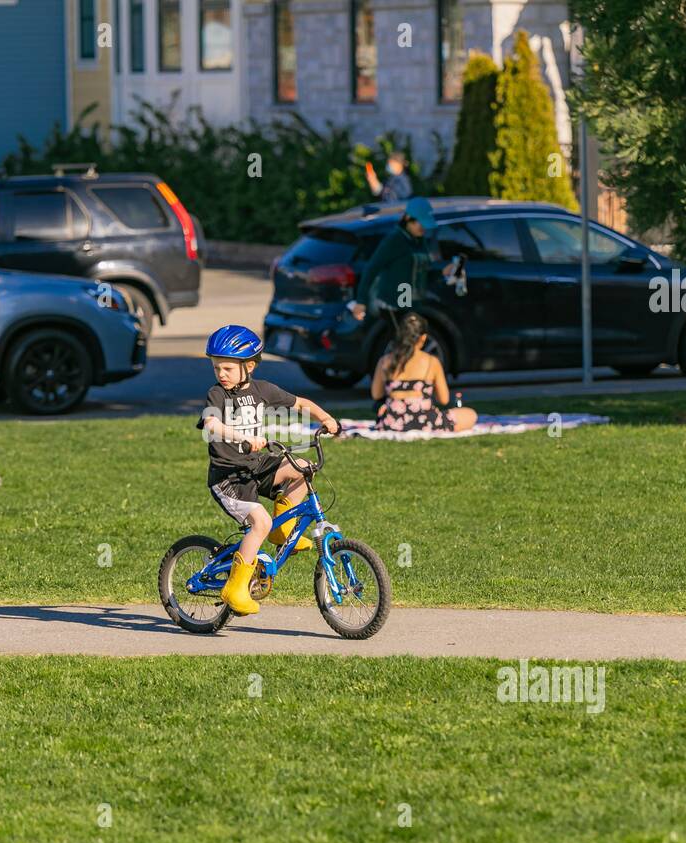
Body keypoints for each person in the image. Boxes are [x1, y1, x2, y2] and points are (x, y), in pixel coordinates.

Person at [197, 325, 340, 616]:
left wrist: (326, 418)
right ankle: (235, 588)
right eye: (216, 368)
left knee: (302, 467)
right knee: (259, 522)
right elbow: (211, 425)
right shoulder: (217, 395)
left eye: (226, 368)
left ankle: (282, 529)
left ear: (249, 366)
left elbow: (300, 402)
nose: (220, 374)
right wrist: (243, 437)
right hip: (228, 478)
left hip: (254, 466)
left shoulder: (263, 390)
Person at [347, 196, 459, 324]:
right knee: (402, 341)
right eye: (420, 223)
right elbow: (372, 267)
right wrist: (361, 301)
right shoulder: (395, 240)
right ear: (407, 218)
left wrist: (442, 273)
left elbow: (422, 273)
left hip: (413, 306)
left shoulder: (420, 241)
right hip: (393, 308)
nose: (423, 228)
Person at [371, 313, 478, 433]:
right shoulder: (432, 362)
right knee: (470, 414)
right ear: (423, 337)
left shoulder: (385, 361)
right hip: (426, 421)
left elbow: (376, 394)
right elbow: (444, 399)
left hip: (392, 422)